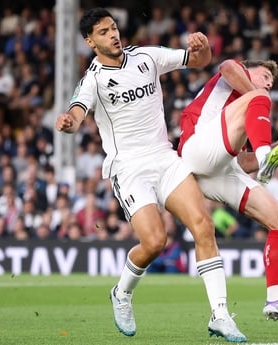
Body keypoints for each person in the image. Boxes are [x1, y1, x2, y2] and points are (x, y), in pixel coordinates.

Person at [55, 8, 246, 342]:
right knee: (155, 242)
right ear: (89, 41)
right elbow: (77, 111)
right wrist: (69, 123)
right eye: (103, 32)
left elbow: (199, 61)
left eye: (114, 28)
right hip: (128, 168)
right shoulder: (93, 80)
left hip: (164, 157)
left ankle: (220, 314)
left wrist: (201, 47)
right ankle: (122, 294)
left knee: (204, 226)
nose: (113, 35)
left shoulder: (146, 56)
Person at [177, 58, 278, 323]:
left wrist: (276, 144)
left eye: (271, 82)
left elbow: (242, 162)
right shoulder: (236, 73)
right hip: (195, 150)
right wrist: (260, 98)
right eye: (264, 75)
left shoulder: (242, 113)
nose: (268, 83)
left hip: (218, 169)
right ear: (249, 70)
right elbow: (226, 67)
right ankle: (267, 156)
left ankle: (277, 298)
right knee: (259, 99)